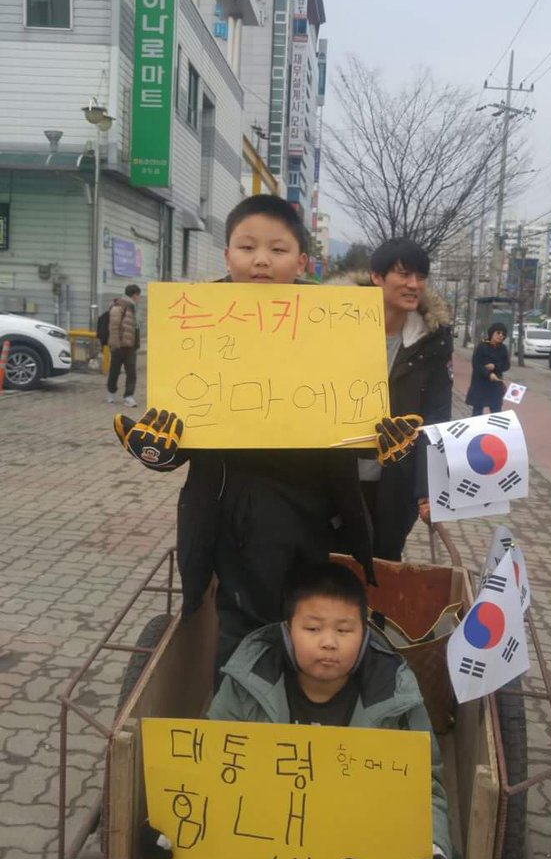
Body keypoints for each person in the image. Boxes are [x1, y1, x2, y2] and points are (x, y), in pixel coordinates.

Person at [113, 195, 420, 662]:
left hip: (320, 514)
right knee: (243, 633)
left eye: (277, 250)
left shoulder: (335, 321)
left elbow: (349, 419)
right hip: (235, 518)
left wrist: (380, 443)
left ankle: (307, 700)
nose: (261, 260)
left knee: (313, 627)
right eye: (247, 247)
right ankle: (239, 702)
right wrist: (158, 450)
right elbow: (182, 434)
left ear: (301, 261)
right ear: (227, 255)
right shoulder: (195, 321)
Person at [141, 562, 452, 859]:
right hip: (262, 838)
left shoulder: (396, 694)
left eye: (344, 630)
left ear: (364, 635)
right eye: (313, 628)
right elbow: (204, 774)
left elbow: (426, 787)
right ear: (288, 631)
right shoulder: (247, 680)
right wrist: (163, 829)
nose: (329, 642)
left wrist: (437, 853)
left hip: (353, 847)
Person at [336, 238, 453, 560]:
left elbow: (436, 420)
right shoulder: (333, 327)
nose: (414, 285)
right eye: (404, 274)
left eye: (421, 276)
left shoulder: (432, 343)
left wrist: (428, 490)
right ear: (377, 277)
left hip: (395, 483)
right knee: (332, 570)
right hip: (333, 477)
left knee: (385, 565)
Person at [107, 284, 141, 407]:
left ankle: (128, 396)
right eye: (139, 296)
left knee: (131, 372)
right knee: (115, 371)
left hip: (130, 345)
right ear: (134, 295)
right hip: (119, 345)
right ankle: (111, 392)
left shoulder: (133, 307)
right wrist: (115, 344)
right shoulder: (119, 306)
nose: (140, 298)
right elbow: (114, 327)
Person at [465, 323, 509, 416]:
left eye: (503, 334)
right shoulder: (482, 346)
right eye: (498, 333)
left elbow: (506, 365)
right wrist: (489, 374)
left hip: (496, 384)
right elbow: (477, 364)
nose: (500, 336)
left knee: (496, 413)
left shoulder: (503, 348)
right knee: (477, 413)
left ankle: (495, 425)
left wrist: (495, 366)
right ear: (492, 333)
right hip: (481, 383)